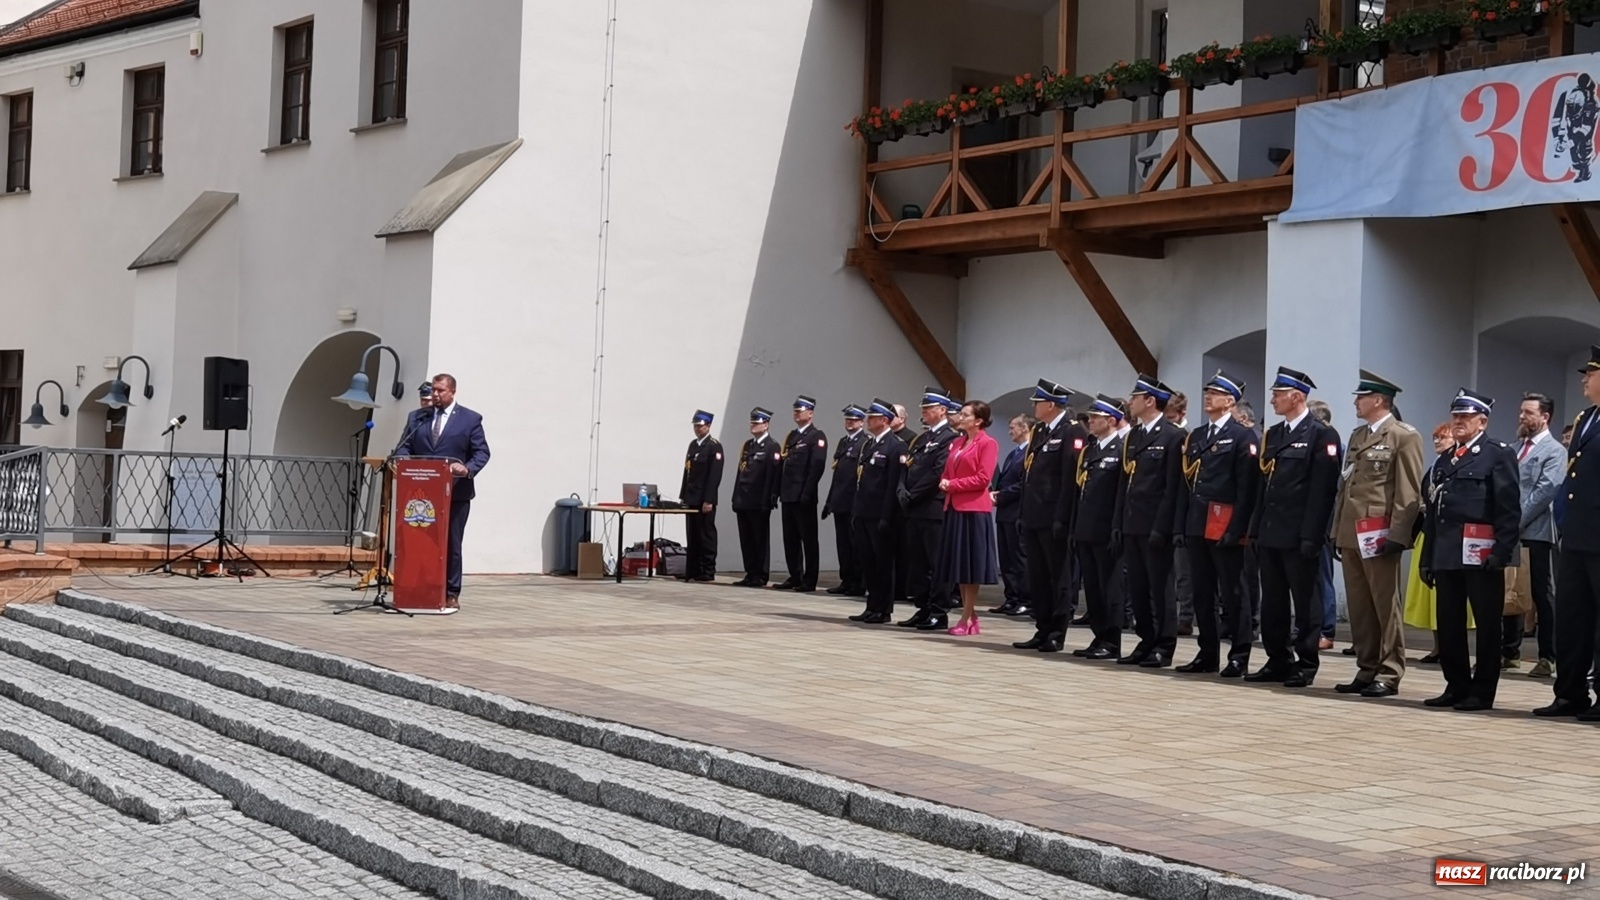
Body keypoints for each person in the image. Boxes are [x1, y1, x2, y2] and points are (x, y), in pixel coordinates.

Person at [1418, 389, 1520, 712]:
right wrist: (1427, 558)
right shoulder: (1445, 459)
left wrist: (1502, 552)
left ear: (1482, 422)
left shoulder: (1497, 454)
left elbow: (1508, 509)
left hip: (1482, 555)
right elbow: (1434, 514)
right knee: (1449, 622)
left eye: (1466, 416)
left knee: (1488, 625)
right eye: (1456, 416)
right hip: (1447, 553)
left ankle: (1482, 691)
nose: (1458, 421)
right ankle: (1456, 685)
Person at [1331, 370, 1424, 699]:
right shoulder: (1358, 435)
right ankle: (1367, 667)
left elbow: (1408, 492)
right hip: (1352, 531)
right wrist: (1336, 530)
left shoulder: (1403, 436)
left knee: (1385, 606)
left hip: (1379, 533)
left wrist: (1398, 535)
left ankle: (1389, 671)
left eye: (1362, 397)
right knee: (1360, 606)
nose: (1356, 402)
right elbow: (1346, 486)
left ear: (1379, 400)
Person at [1246, 367, 1341, 688]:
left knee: (1306, 602)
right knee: (1272, 602)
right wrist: (1255, 529)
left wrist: (1313, 534)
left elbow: (1323, 491)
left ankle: (1306, 662)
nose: (1273, 400)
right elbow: (1263, 486)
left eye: (1278, 394)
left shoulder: (1321, 435)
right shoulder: (1273, 434)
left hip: (1300, 534)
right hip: (1271, 531)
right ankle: (1278, 659)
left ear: (1297, 397)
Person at [1173, 371, 1260, 678]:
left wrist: (1238, 529)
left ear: (1230, 401)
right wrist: (1181, 525)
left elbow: (1247, 488)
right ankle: (1207, 652)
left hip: (1226, 526)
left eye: (1215, 393)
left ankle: (1239, 655)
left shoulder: (1243, 436)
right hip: (1198, 524)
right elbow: (1185, 484)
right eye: (1207, 392)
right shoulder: (1197, 436)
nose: (1208, 396)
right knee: (1202, 592)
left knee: (1234, 593)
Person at [1536, 346, 1600, 720]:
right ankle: (1570, 693)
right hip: (1576, 533)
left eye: (1590, 373)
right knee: (1572, 616)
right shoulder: (1585, 418)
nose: (1584, 380)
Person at [395, 373, 490, 609]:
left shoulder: (470, 419)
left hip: (455, 493)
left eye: (440, 390)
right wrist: (404, 460)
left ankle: (451, 592)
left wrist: (467, 468)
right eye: (434, 390)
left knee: (451, 544)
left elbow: (482, 452)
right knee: (419, 542)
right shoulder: (418, 418)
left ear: (452, 392)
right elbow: (404, 447)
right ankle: (421, 589)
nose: (435, 394)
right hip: (421, 495)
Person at [1012, 379, 1088, 653]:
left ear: (1052, 405)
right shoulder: (1040, 431)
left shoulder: (1072, 431)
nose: (1034, 406)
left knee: (1059, 577)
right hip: (1034, 515)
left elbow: (1069, 478)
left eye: (1038, 402)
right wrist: (1023, 512)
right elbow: (1030, 476)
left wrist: (1062, 516)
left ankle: (1057, 632)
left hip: (1054, 516)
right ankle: (1042, 628)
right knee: (1038, 577)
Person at [1115, 375, 1185, 668]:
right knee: (1139, 588)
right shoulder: (1134, 436)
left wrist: (1163, 526)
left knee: (1161, 588)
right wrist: (1118, 521)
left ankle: (1164, 645)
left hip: (1156, 524)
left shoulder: (1173, 436)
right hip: (1133, 522)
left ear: (1150, 401)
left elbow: (1172, 487)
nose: (1130, 402)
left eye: (1135, 397)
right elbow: (1125, 482)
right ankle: (1146, 640)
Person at [896, 387, 959, 631]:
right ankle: (923, 608)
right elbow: (907, 466)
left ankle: (938, 611)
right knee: (918, 563)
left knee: (936, 562)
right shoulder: (921, 439)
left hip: (932, 508)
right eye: (923, 408)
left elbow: (937, 473)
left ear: (942, 410)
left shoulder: (949, 438)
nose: (924, 411)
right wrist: (902, 489)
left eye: (928, 408)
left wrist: (913, 494)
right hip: (914, 508)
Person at [938, 401, 1000, 635]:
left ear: (978, 420)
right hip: (954, 506)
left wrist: (953, 484)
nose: (960, 417)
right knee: (960, 565)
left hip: (973, 509)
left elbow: (983, 478)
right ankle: (969, 614)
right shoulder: (957, 442)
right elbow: (947, 471)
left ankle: (967, 617)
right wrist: (945, 481)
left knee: (971, 566)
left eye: (965, 415)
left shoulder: (988, 443)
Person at [1512, 393, 1563, 678]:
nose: (1522, 416)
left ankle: (1548, 656)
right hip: (1510, 532)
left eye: (1529, 412)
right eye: (1521, 411)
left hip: (1537, 532)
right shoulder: (1515, 448)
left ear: (1545, 417)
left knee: (1540, 593)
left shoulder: (1554, 451)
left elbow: (1545, 491)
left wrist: (1517, 521)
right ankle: (1509, 651)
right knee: (1511, 589)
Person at [1073, 394, 1127, 659]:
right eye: (1091, 417)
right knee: (1093, 588)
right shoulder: (1090, 449)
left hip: (1106, 529)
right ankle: (1098, 635)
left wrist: (1117, 526)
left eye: (1096, 417)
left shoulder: (1121, 450)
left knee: (1110, 588)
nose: (1091, 421)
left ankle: (1112, 640)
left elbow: (1120, 494)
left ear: (1112, 420)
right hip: (1086, 528)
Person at [1403, 424, 1462, 663]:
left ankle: (1449, 647)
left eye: (1442, 437)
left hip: (1447, 535)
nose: (1437, 441)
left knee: (1447, 595)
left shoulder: (1456, 464)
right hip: (1428, 533)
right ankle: (1438, 646)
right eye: (1435, 437)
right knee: (1429, 596)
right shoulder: (1434, 466)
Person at [847, 399, 907, 625]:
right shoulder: (869, 445)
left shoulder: (896, 446)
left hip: (881, 514)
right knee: (868, 563)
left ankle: (883, 609)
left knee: (883, 564)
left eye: (872, 418)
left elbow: (893, 485)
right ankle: (872, 605)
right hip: (864, 512)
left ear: (884, 420)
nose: (867, 421)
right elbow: (861, 481)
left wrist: (887, 516)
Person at [775, 395, 827, 592]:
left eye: (801, 411)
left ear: (810, 413)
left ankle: (810, 578)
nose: (796, 414)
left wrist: (807, 491)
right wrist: (777, 491)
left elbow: (817, 466)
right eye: (795, 411)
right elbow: (784, 466)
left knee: (808, 538)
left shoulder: (816, 436)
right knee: (790, 538)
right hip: (788, 494)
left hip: (804, 495)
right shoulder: (792, 437)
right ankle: (795, 575)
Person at [731, 407, 781, 587]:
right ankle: (750, 572)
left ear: (766, 425)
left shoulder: (772, 446)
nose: (753, 426)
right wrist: (735, 497)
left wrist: (770, 497)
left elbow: (772, 474)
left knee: (760, 539)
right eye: (752, 423)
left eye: (757, 423)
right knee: (747, 540)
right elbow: (740, 472)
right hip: (743, 500)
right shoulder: (748, 445)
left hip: (759, 500)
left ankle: (760, 575)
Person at [989, 414, 1033, 616]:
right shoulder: (1014, 453)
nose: (1010, 432)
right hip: (1005, 513)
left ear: (1024, 428)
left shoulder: (1030, 453)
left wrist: (1001, 495)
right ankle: (1011, 597)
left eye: (1013, 427)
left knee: (1019, 558)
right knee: (1006, 558)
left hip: (1017, 512)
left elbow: (1023, 484)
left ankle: (1025, 599)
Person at [823, 404, 869, 596]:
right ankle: (846, 579)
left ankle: (858, 582)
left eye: (854, 420)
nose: (850, 422)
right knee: (842, 544)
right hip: (840, 500)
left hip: (853, 501)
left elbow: (861, 477)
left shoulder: (864, 443)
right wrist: (829, 500)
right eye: (847, 419)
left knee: (855, 544)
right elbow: (837, 474)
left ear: (861, 422)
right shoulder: (844, 442)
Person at [1307, 399, 1340, 651]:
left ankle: (1327, 629)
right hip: (1310, 522)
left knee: (1323, 577)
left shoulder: (1331, 442)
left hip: (1326, 522)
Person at [678, 410, 724, 582]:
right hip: (691, 497)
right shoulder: (693, 445)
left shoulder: (714, 446)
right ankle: (693, 569)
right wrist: (683, 495)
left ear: (708, 426)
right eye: (695, 426)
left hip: (704, 499)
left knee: (706, 534)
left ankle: (708, 569)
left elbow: (714, 476)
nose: (697, 429)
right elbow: (687, 472)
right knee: (693, 534)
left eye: (700, 426)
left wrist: (708, 499)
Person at [1165, 391, 1196, 637]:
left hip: (1184, 510)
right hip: (1164, 510)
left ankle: (1186, 617)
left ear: (1182, 414)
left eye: (1171, 417)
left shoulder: (1188, 437)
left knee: (1184, 570)